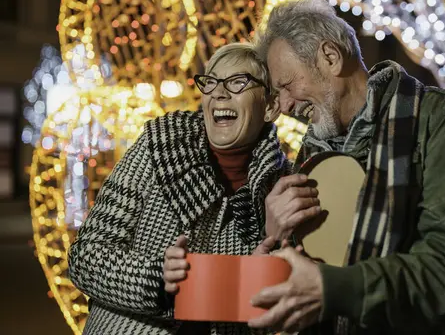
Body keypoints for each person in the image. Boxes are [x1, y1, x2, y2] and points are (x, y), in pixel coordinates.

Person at [248, 0, 445, 334]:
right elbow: (305, 276)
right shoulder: (312, 155)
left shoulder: (439, 121)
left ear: (330, 57)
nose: (283, 106)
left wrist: (334, 289)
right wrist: (277, 235)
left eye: (286, 85)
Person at [68, 42, 291, 334]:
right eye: (210, 83)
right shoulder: (156, 147)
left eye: (238, 82)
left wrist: (260, 277)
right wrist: (156, 280)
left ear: (270, 106)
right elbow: (84, 258)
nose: (219, 93)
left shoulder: (282, 184)